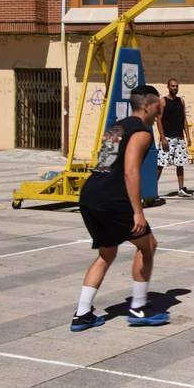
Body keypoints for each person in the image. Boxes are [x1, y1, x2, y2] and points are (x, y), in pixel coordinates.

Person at [70, 85, 170, 331]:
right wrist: (138, 211)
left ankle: (82, 314)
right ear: (147, 105)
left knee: (107, 252)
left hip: (91, 194)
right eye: (158, 105)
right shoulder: (142, 132)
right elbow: (130, 170)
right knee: (148, 245)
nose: (160, 109)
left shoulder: (118, 126)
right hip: (112, 198)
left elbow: (105, 163)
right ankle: (138, 308)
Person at [156, 78, 192, 197]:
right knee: (160, 164)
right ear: (168, 87)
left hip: (179, 138)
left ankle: (181, 189)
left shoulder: (181, 101)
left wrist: (187, 136)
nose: (175, 88)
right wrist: (163, 138)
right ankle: (152, 190)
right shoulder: (163, 101)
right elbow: (159, 120)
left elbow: (184, 120)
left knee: (180, 164)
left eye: (176, 86)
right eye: (172, 86)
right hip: (168, 138)